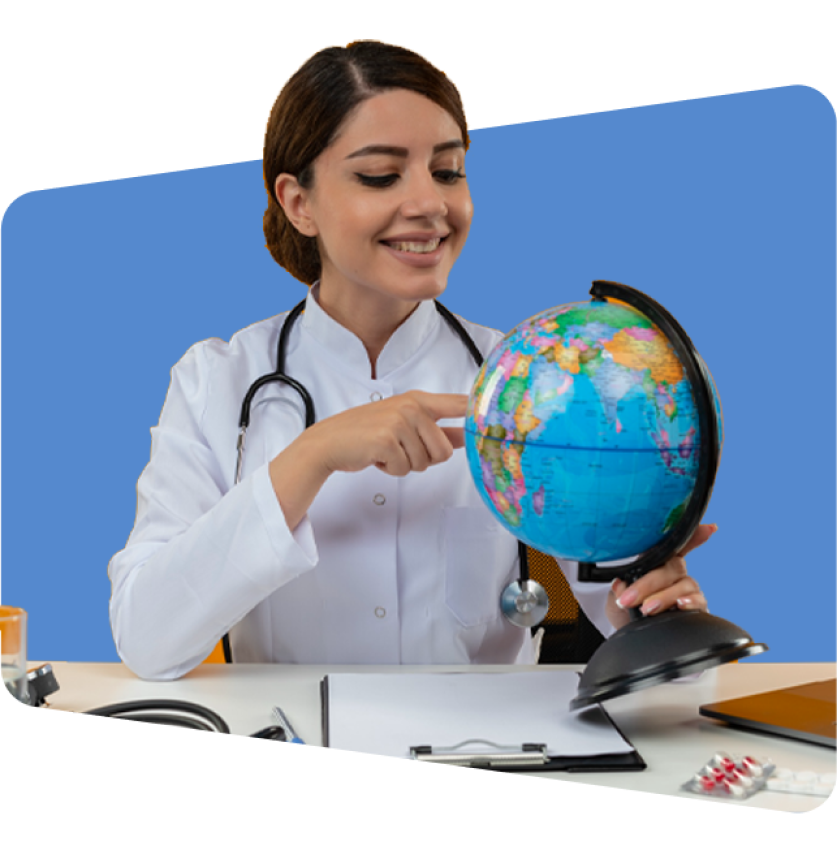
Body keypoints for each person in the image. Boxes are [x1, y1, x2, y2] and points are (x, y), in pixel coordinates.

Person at [108, 40, 713, 681]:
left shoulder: (535, 380)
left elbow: (620, 610)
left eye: (448, 171)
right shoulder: (217, 381)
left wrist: (655, 607)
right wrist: (312, 455)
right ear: (298, 203)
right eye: (380, 175)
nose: (431, 204)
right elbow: (147, 641)